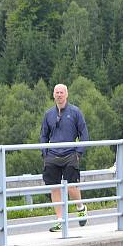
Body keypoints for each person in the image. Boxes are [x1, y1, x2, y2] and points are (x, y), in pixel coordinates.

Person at [40, 84, 89, 232]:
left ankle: (80, 207)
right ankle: (60, 220)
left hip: (70, 154)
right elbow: (43, 135)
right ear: (53, 95)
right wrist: (44, 152)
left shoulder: (75, 112)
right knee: (54, 187)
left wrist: (79, 152)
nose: (59, 95)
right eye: (57, 92)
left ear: (66, 94)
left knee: (71, 186)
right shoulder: (49, 114)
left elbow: (84, 134)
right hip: (52, 155)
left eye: (61, 92)